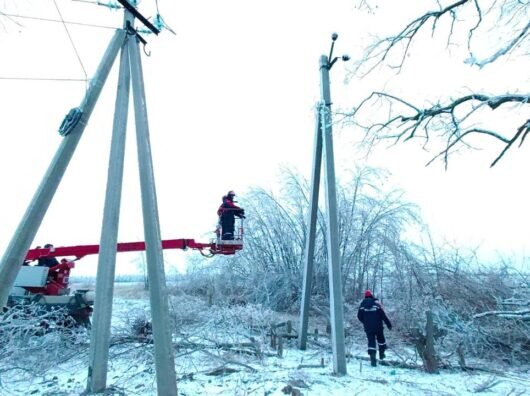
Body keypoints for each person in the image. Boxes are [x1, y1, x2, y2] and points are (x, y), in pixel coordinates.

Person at [357, 289, 392, 367]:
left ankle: (373, 361)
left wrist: (365, 322)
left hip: (368, 328)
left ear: (365, 296)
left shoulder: (362, 305)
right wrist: (388, 324)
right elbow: (383, 315)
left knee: (371, 342)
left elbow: (359, 316)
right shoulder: (376, 305)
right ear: (372, 296)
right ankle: (381, 355)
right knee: (381, 340)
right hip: (378, 326)